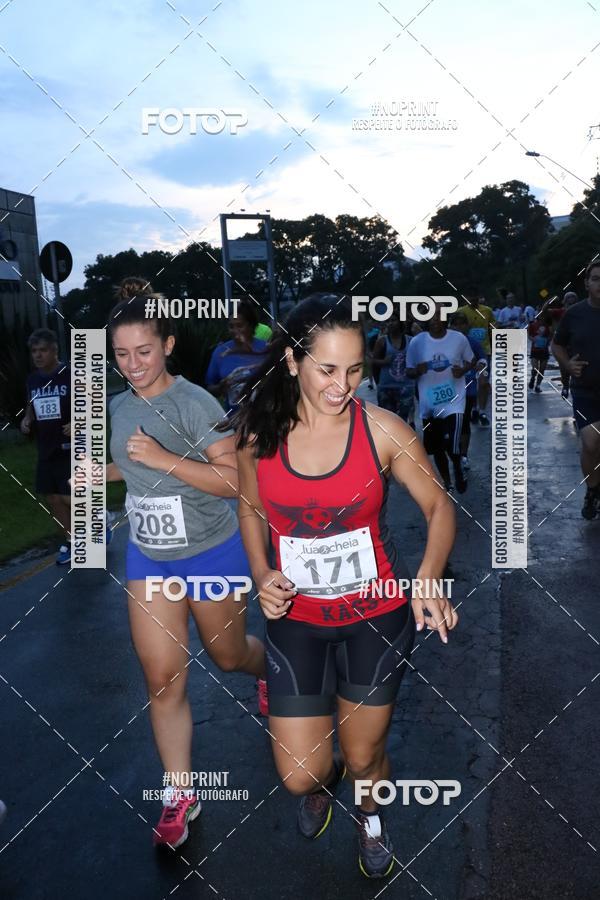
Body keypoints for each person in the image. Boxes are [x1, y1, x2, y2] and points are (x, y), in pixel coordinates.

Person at [228, 294, 457, 879]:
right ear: (292, 361)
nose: (343, 385)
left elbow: (438, 506)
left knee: (363, 755)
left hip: (375, 619)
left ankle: (372, 817)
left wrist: (427, 577)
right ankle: (321, 788)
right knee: (300, 773)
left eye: (355, 369)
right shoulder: (258, 433)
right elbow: (250, 506)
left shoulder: (381, 429)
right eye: (327, 369)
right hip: (297, 620)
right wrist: (261, 575)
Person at [106, 279, 267, 848]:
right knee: (162, 677)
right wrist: (96, 475)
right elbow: (133, 467)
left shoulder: (197, 403)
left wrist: (166, 458)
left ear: (168, 344)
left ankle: (266, 669)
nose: (133, 364)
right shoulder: (117, 409)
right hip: (150, 558)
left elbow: (233, 481)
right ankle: (180, 794)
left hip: (211, 551)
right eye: (121, 355)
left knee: (228, 656)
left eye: (143, 351)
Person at [406, 306, 477, 493]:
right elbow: (409, 370)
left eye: (439, 316)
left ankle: (458, 466)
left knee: (453, 443)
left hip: (454, 401)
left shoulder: (458, 339)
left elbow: (472, 360)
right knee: (436, 448)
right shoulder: (416, 343)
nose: (435, 319)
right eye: (432, 316)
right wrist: (417, 371)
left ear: (445, 319)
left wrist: (462, 370)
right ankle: (448, 482)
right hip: (429, 404)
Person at [552, 261, 600, 519]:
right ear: (588, 283)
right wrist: (568, 364)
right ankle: (593, 490)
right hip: (586, 390)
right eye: (596, 279)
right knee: (592, 443)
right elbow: (557, 345)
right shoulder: (575, 314)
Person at [20, 329, 72, 565]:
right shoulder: (33, 380)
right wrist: (26, 420)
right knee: (52, 498)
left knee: (69, 497)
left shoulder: (70, 374)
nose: (38, 356)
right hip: (46, 448)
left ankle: (99, 520)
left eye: (43, 350)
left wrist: (80, 421)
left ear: (54, 350)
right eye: (34, 351)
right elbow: (31, 408)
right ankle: (73, 542)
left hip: (72, 446)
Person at [205, 298, 268, 414]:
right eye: (231, 326)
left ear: (251, 325)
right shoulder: (220, 352)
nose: (235, 331)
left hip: (264, 420)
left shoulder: (266, 349)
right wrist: (220, 387)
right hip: (234, 422)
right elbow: (210, 387)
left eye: (240, 326)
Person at [450, 312, 486, 469]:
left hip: (468, 389)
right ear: (451, 326)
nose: (459, 327)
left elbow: (483, 358)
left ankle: (463, 455)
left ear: (467, 326)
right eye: (455, 324)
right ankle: (453, 448)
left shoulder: (473, 343)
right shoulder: (444, 343)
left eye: (462, 324)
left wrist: (481, 365)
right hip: (448, 390)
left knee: (464, 422)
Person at [457, 287, 496, 427]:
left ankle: (482, 411)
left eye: (475, 296)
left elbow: (493, 328)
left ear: (479, 296)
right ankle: (473, 408)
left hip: (484, 352)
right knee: (471, 382)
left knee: (484, 382)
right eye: (469, 296)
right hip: (467, 352)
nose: (473, 299)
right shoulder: (460, 312)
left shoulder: (488, 311)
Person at [370, 316, 415, 424]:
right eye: (388, 321)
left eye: (393, 320)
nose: (390, 323)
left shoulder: (411, 341)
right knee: (387, 420)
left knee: (402, 420)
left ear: (400, 322)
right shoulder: (382, 341)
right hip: (386, 387)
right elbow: (373, 361)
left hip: (406, 387)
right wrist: (384, 362)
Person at [528, 311, 553, 393]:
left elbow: (550, 335)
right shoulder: (532, 325)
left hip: (544, 350)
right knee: (535, 369)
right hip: (535, 350)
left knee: (542, 370)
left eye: (543, 316)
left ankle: (538, 386)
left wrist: (548, 341)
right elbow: (529, 335)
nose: (542, 317)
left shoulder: (548, 326)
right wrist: (533, 339)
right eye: (540, 316)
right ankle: (532, 378)